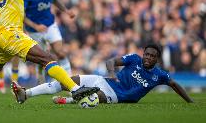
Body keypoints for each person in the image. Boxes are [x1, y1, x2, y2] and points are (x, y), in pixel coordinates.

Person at [11, 44, 193, 104]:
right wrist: (112, 73)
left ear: (157, 59)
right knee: (65, 80)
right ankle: (25, 94)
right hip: (105, 80)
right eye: (146, 54)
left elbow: (175, 85)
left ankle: (68, 100)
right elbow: (110, 62)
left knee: (92, 97)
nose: (148, 57)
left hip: (116, 95)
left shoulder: (159, 75)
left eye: (152, 56)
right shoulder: (134, 59)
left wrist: (190, 102)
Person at [24, 0, 74, 82]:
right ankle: (40, 78)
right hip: (34, 30)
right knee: (42, 58)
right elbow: (21, 15)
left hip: (50, 25)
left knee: (60, 52)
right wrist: (35, 26)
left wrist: (66, 11)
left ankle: (70, 79)